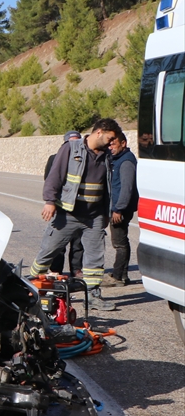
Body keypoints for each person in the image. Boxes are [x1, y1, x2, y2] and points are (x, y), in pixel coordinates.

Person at [31, 118, 123, 311]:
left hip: (94, 217)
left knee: (95, 258)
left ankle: (94, 295)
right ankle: (30, 288)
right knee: (48, 252)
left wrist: (106, 212)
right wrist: (50, 201)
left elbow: (107, 187)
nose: (112, 142)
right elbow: (55, 175)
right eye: (110, 137)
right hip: (68, 214)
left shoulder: (106, 156)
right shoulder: (71, 149)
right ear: (100, 132)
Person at [45, 132, 84, 276]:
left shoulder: (85, 158)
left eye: (77, 141)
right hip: (61, 206)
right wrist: (51, 202)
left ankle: (76, 269)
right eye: (71, 141)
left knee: (78, 241)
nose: (74, 145)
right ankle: (56, 270)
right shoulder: (54, 159)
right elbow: (49, 181)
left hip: (80, 207)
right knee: (58, 240)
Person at [105, 133, 138, 287]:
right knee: (121, 240)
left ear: (123, 143)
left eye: (114, 143)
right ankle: (122, 275)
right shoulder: (117, 159)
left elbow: (127, 188)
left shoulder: (126, 161)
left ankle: (117, 276)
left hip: (120, 209)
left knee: (119, 243)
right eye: (109, 144)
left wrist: (118, 209)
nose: (110, 147)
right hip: (118, 207)